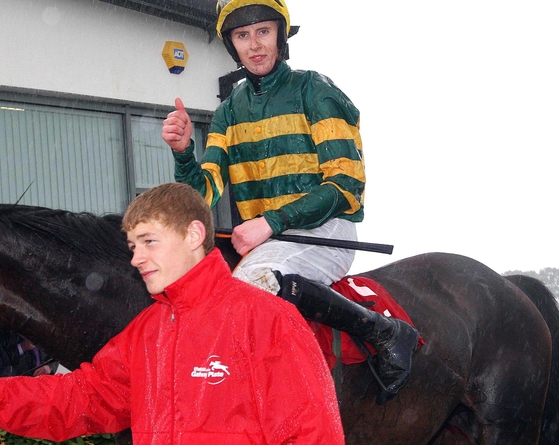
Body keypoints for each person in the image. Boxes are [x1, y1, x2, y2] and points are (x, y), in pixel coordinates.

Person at [0, 182, 346, 445]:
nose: (136, 258)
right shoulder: (146, 332)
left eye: (149, 241)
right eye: (132, 246)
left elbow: (312, 437)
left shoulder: (267, 319)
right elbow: (81, 398)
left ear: (194, 235)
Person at [161, 0, 418, 400]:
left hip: (328, 229)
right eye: (242, 35)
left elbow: (346, 184)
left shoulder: (315, 90)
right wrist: (183, 153)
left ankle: (385, 332)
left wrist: (271, 222)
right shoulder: (228, 113)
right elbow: (204, 192)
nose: (254, 45)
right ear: (232, 44)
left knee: (250, 286)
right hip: (265, 240)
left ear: (280, 36)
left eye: (263, 32)